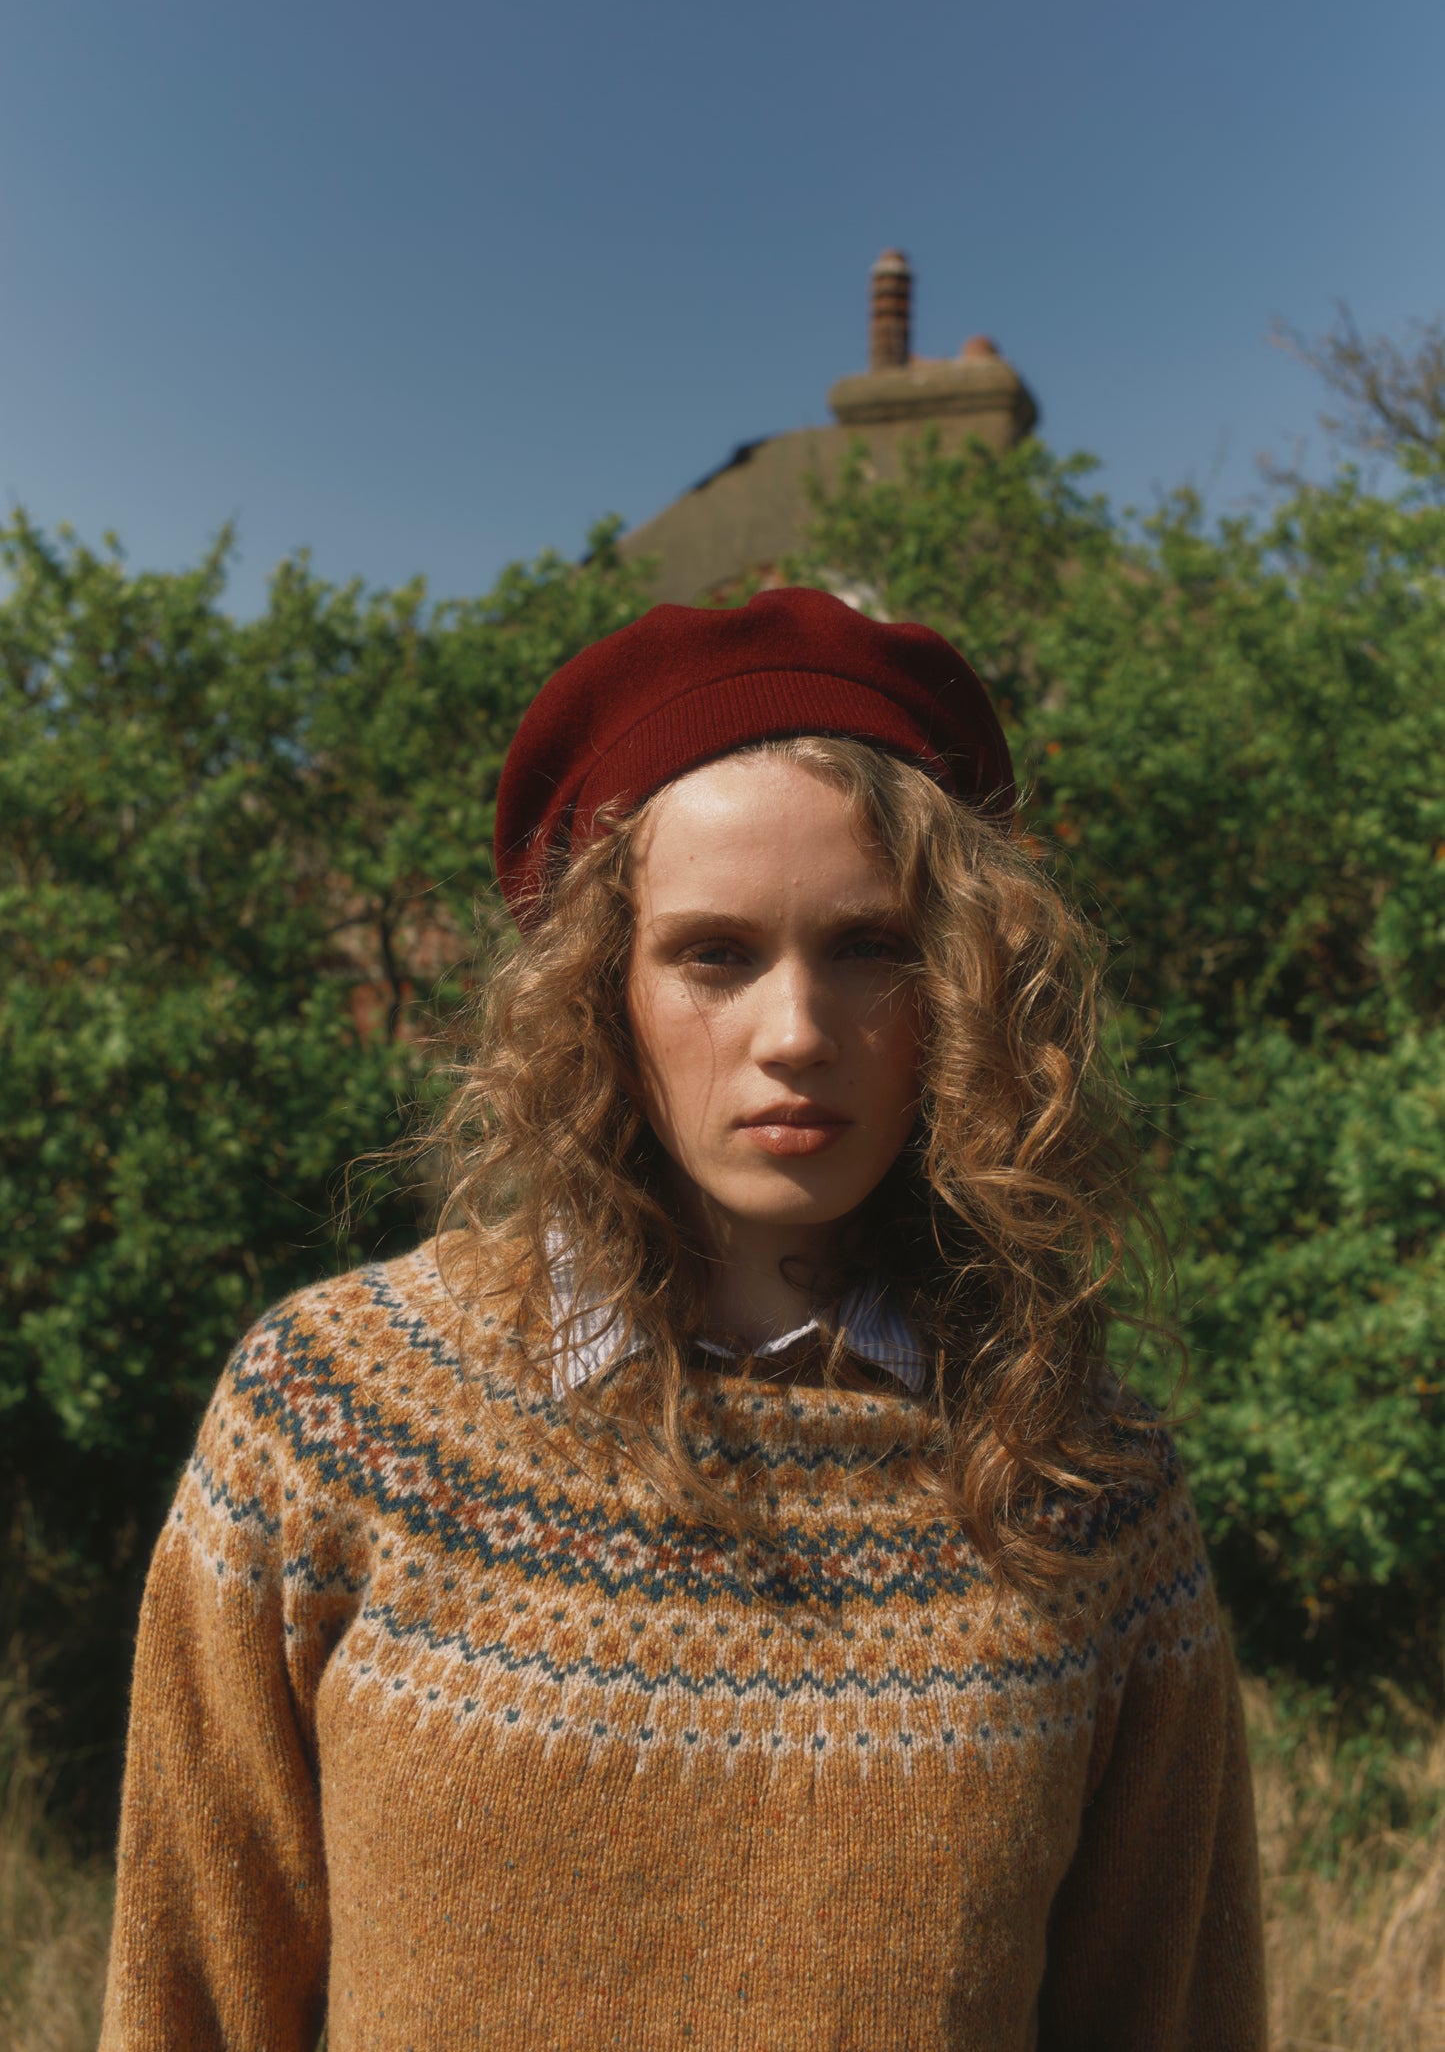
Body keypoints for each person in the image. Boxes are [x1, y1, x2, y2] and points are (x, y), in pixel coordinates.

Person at [100, 587, 1266, 2050]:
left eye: (869, 948)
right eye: (714, 954)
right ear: (600, 988)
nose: (794, 1033)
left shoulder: (1082, 1483)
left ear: (961, 988)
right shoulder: (333, 1412)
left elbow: (1174, 2015)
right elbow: (187, 2000)